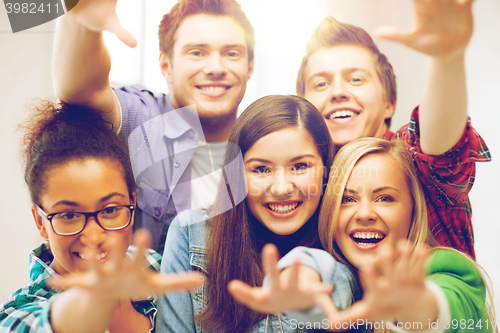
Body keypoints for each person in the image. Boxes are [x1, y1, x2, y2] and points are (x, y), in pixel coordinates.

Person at [229, 138, 496, 333]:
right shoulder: (339, 277)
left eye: (384, 198)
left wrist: (421, 309)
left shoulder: (447, 268)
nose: (365, 213)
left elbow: (453, 304)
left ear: (414, 209)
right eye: (348, 199)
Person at [52, 0, 255, 254]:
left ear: (250, 67)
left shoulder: (261, 144)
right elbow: (84, 90)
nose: (215, 68)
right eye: (196, 52)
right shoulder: (145, 120)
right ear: (166, 67)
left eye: (231, 53)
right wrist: (79, 24)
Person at [296, 0, 490, 258]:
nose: (338, 92)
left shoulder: (410, 158)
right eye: (321, 84)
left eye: (356, 79)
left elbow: (440, 149)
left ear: (389, 103)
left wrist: (447, 58)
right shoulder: (302, 177)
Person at [155, 95, 360, 333]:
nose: (281, 188)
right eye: (261, 169)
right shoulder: (190, 234)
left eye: (300, 166)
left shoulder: (344, 248)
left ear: (326, 170)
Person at [0, 100, 203, 333]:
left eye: (109, 210)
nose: (94, 236)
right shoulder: (17, 314)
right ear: (40, 222)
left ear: (132, 204)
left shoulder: (154, 266)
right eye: (69, 215)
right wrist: (88, 305)